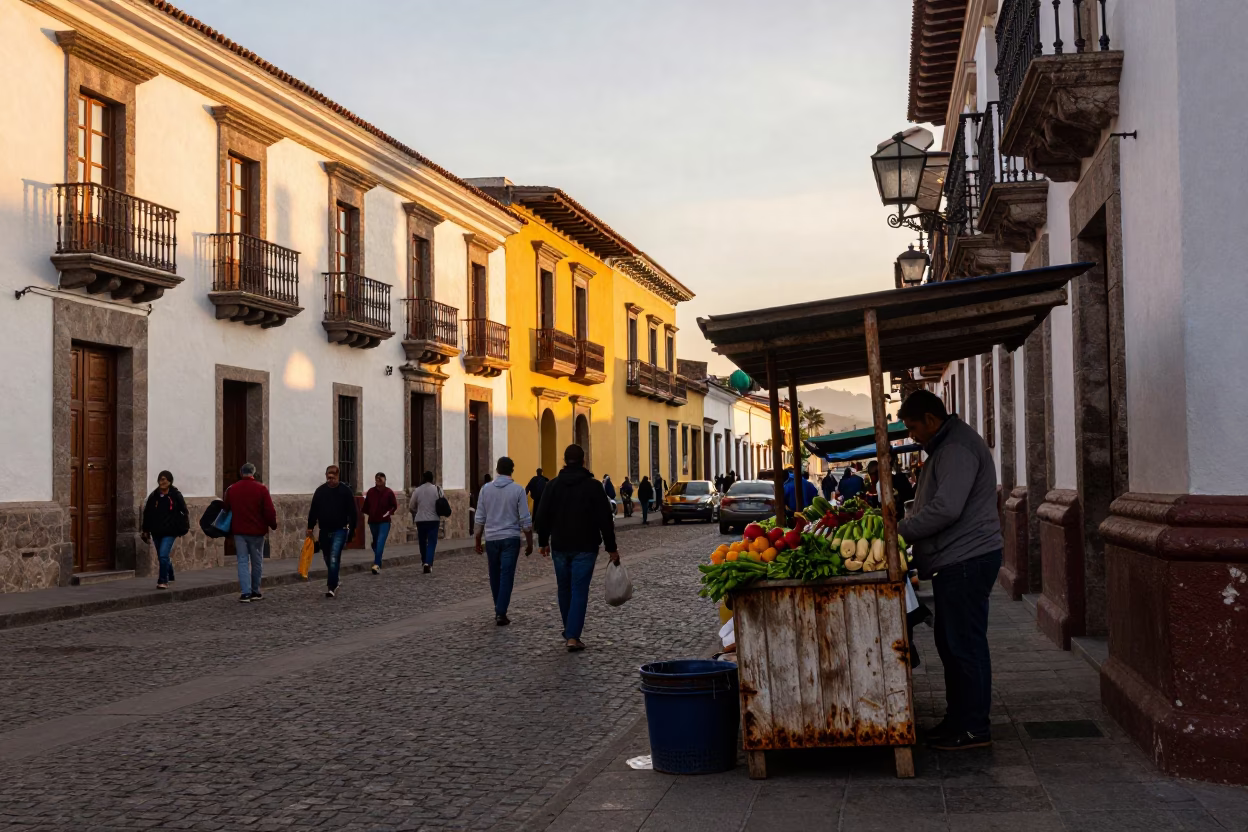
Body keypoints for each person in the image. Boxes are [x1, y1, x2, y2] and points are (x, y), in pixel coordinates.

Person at [897, 390, 1003, 751]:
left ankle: (974, 727)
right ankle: (959, 718)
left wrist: (901, 530)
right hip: (956, 560)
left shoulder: (956, 448)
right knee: (953, 642)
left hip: (966, 559)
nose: (912, 435)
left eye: (913, 427)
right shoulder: (947, 446)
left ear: (930, 419)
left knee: (965, 644)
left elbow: (946, 508)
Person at [534, 444, 619, 652]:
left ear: (564, 460)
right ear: (583, 461)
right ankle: (572, 635)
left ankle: (569, 630)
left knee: (564, 588)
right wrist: (611, 548)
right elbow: (605, 519)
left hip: (560, 546)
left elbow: (541, 516)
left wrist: (543, 542)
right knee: (579, 589)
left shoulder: (552, 486)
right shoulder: (593, 486)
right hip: (585, 546)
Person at [474, 457, 534, 626]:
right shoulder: (518, 490)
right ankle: (501, 611)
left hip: (491, 539)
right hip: (510, 538)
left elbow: (479, 516)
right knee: (507, 575)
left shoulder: (485, 490)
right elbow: (525, 519)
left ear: (497, 470)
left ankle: (498, 608)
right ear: (512, 470)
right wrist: (529, 542)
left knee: (494, 574)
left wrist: (478, 539)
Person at [223, 462, 277, 603]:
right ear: (253, 473)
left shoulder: (232, 489)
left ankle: (245, 592)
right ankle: (255, 591)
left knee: (242, 561)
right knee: (257, 561)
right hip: (257, 531)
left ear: (241, 473)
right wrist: (273, 524)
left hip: (239, 530)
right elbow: (269, 511)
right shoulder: (261, 489)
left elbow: (226, 507)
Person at [306, 464, 357, 598]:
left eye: (333, 478)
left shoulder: (345, 491)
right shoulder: (320, 491)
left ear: (338, 477)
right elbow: (314, 510)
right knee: (327, 557)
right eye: (328, 478)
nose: (330, 480)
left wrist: (352, 531)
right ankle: (335, 578)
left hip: (340, 529)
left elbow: (353, 512)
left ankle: (331, 586)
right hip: (324, 529)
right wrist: (310, 527)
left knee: (334, 557)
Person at [140, 470, 188, 590]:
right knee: (163, 556)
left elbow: (184, 512)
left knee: (162, 555)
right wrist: (145, 529)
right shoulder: (154, 496)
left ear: (170, 481)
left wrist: (182, 527)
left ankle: (163, 580)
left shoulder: (176, 495)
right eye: (161, 479)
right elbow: (147, 513)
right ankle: (170, 573)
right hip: (156, 531)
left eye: (165, 479)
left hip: (170, 531)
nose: (163, 482)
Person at [362, 472, 398, 575]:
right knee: (375, 542)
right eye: (377, 479)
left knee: (380, 542)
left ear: (385, 480)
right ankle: (379, 558)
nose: (379, 481)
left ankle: (376, 564)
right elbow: (366, 506)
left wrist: (388, 513)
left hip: (384, 521)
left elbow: (394, 506)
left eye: (381, 479)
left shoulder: (389, 492)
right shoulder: (371, 492)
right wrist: (371, 513)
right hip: (373, 521)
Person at [408, 471, 442, 574]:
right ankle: (428, 563)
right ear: (432, 478)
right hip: (433, 520)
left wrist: (417, 511)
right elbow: (442, 502)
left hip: (421, 520)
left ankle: (424, 561)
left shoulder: (417, 490)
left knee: (422, 542)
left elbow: (411, 506)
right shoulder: (437, 489)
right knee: (432, 542)